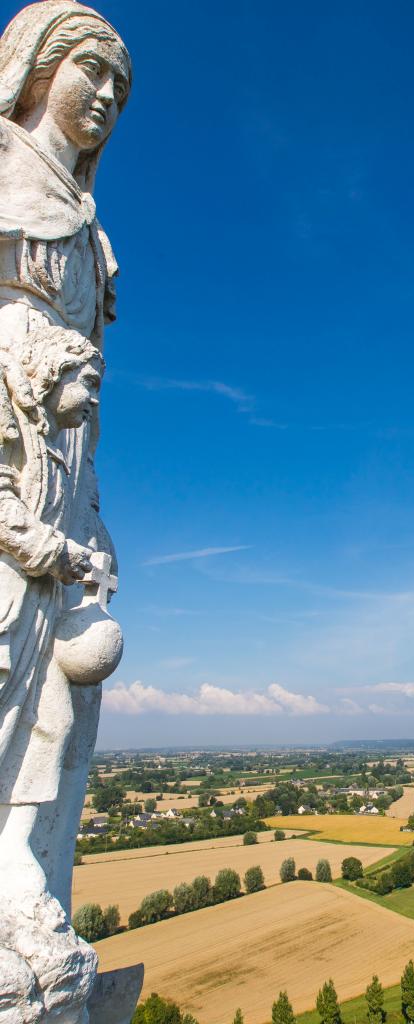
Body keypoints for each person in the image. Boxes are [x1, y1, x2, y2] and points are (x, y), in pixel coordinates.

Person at [0, 1, 131, 920]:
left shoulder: (91, 235)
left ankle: (28, 887)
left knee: (62, 708)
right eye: (95, 69)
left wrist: (91, 519)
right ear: (39, 67)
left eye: (122, 86)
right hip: (9, 463)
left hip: (68, 488)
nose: (110, 95)